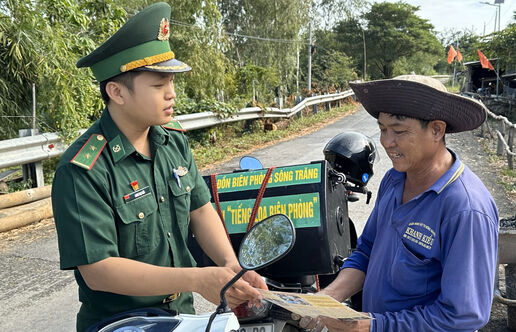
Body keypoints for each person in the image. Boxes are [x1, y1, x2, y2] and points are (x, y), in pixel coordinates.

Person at [51, 3, 266, 331]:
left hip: (181, 315)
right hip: (120, 322)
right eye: (158, 85)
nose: (172, 94)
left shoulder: (172, 141)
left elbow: (201, 209)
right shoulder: (84, 169)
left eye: (172, 82)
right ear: (117, 92)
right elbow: (99, 271)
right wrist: (197, 278)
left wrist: (231, 267)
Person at [301, 75, 499, 331]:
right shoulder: (395, 180)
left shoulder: (466, 209)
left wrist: (370, 326)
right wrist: (329, 298)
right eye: (383, 129)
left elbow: (462, 316)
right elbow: (367, 251)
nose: (386, 142)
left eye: (399, 130)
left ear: (437, 130)